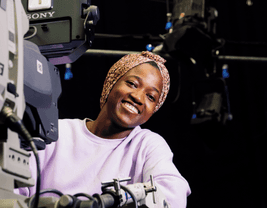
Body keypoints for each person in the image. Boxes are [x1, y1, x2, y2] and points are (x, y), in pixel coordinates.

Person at [16, 51, 191, 207]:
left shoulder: (147, 145)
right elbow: (14, 189)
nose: (138, 97)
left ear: (154, 109)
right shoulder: (56, 132)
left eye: (151, 97)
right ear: (111, 82)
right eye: (132, 84)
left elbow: (173, 195)